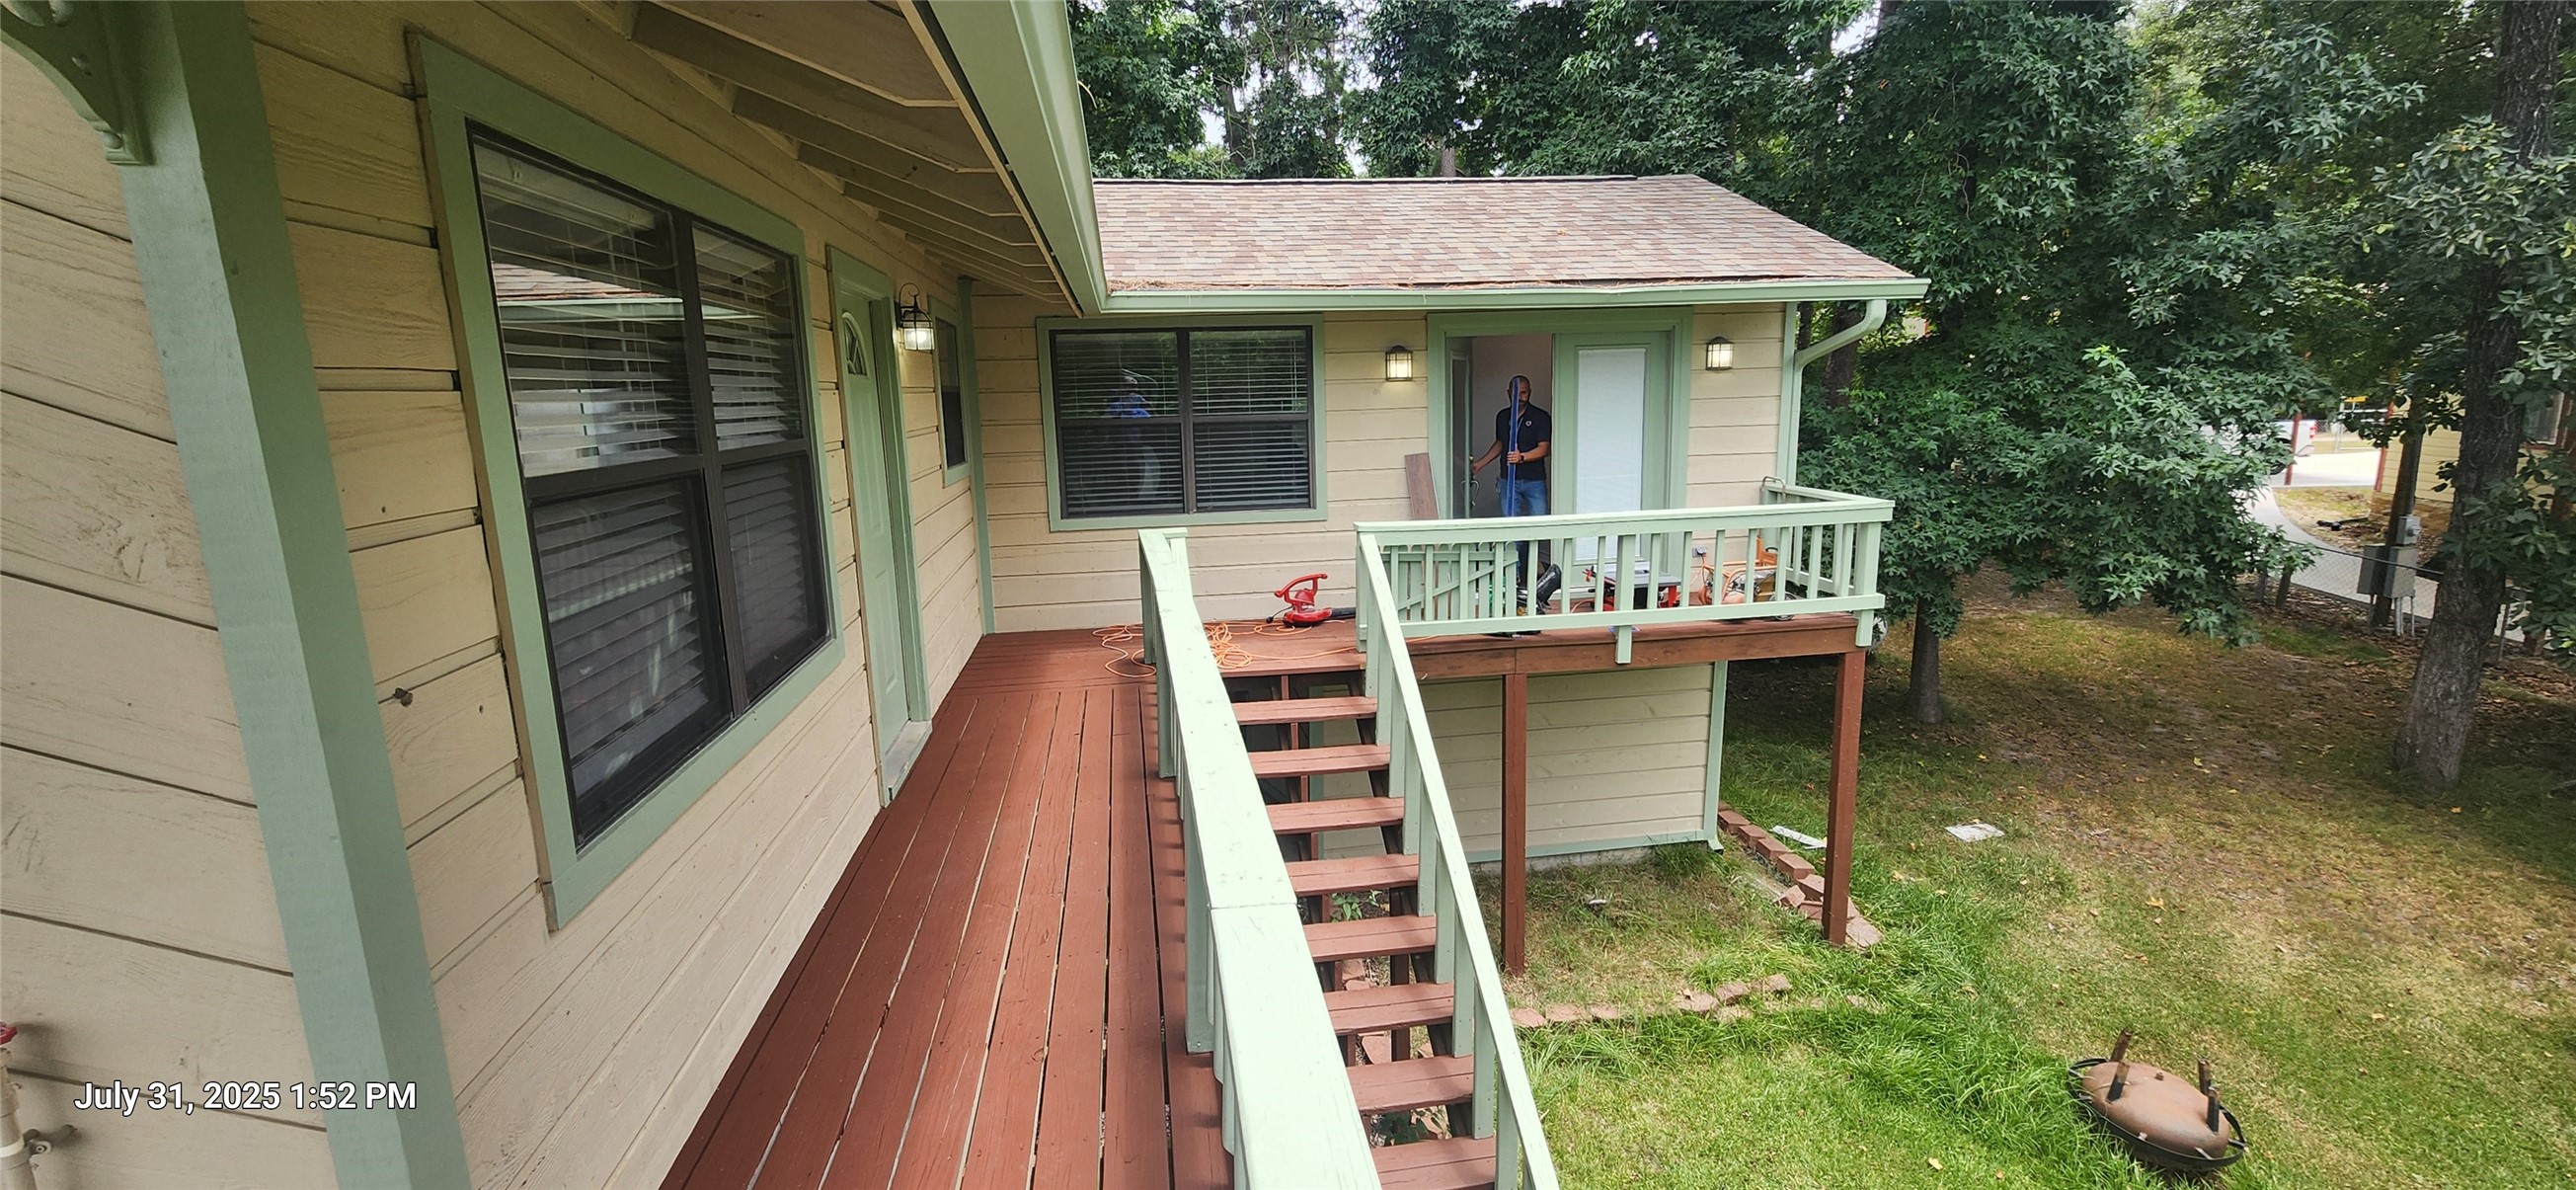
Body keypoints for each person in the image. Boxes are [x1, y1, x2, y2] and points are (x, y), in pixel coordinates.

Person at [1468, 374, 1552, 586]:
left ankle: (1533, 572)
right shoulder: (1502, 416)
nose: (1520, 397)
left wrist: (1522, 457)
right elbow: (1501, 443)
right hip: (1508, 480)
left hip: (1534, 481)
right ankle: (1514, 576)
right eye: (1516, 393)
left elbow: (1545, 448)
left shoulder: (1540, 416)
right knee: (1511, 527)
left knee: (1538, 524)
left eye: (1524, 392)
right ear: (1508, 393)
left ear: (1530, 393)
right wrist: (1481, 463)